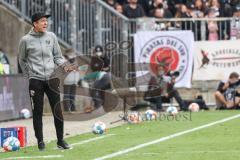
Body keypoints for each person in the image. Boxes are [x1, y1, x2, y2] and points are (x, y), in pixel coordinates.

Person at [18, 12, 74, 151]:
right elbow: (22, 60)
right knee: (37, 112)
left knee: (57, 110)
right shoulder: (25, 40)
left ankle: (60, 140)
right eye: (42, 21)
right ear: (35, 24)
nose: (45, 23)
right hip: (35, 80)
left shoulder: (52, 37)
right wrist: (29, 75)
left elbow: (58, 56)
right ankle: (40, 142)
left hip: (52, 78)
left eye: (46, 21)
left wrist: (65, 65)